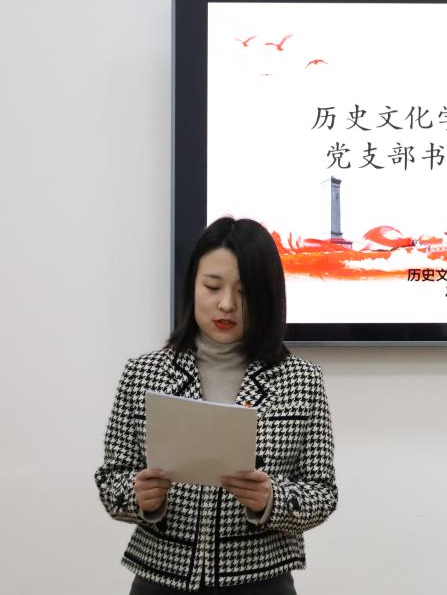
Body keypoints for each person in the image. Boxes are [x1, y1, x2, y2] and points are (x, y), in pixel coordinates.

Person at [95, 217, 337, 593]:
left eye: (244, 292)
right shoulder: (143, 373)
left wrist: (271, 499)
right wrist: (139, 496)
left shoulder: (301, 380)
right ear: (192, 286)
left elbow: (321, 492)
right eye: (212, 286)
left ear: (268, 296)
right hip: (162, 576)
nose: (226, 304)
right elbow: (112, 478)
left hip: (261, 579)